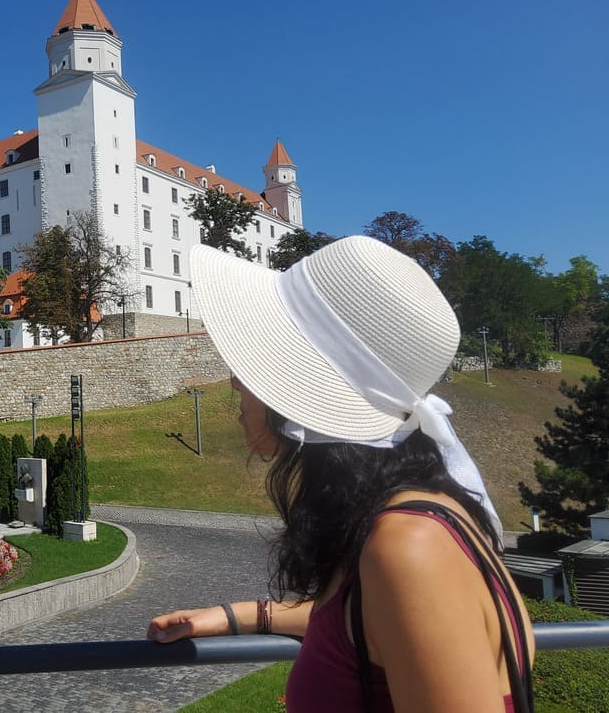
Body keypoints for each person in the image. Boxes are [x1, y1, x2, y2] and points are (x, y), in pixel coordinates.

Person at [147, 237, 534, 713]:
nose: (235, 381)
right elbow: (374, 626)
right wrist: (241, 615)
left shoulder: (408, 547)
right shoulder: (422, 513)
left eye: (255, 361)